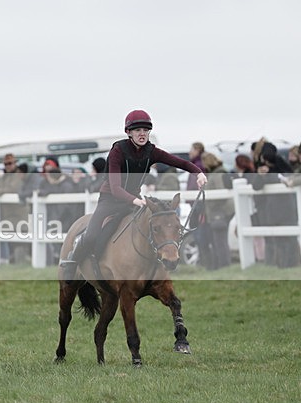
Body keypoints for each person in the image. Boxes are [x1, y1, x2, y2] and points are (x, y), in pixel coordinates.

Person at [61, 109, 207, 280]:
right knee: (92, 234)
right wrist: (135, 200)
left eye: (146, 130)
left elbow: (179, 162)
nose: (142, 134)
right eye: (138, 130)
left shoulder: (151, 151)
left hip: (134, 200)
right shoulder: (117, 151)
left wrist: (198, 173)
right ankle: (72, 262)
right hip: (110, 200)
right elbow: (115, 188)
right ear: (129, 132)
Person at [251, 139, 298, 268]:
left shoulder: (280, 164)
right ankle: (279, 265)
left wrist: (272, 176)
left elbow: (288, 177)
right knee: (276, 240)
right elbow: (256, 186)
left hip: (286, 207)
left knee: (289, 239)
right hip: (272, 209)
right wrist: (260, 175)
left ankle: (291, 265)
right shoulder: (262, 168)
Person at [0, 153, 30, 264]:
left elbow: (13, 188)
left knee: (20, 242)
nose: (8, 166)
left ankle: (21, 265)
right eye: (6, 164)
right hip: (8, 215)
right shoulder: (5, 176)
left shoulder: (18, 175)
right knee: (10, 242)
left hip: (19, 214)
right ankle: (14, 265)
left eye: (10, 163)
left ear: (15, 163)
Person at [201, 153, 234, 269]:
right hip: (217, 211)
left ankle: (224, 265)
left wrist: (211, 204)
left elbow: (221, 192)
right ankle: (221, 265)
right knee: (218, 240)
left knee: (220, 240)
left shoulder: (218, 174)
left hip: (220, 211)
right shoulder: (216, 173)